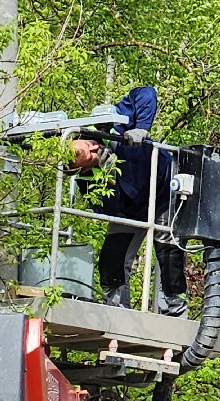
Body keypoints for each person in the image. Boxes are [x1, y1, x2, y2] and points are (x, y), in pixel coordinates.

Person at [70, 85, 188, 317]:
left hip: (164, 190)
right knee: (112, 256)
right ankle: (117, 311)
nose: (95, 148)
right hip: (131, 209)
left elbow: (146, 93)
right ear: (80, 169)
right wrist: (109, 177)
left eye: (88, 145)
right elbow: (111, 210)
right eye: (89, 155)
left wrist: (141, 128)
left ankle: (175, 310)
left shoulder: (109, 124)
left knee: (168, 251)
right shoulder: (88, 181)